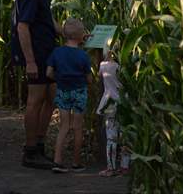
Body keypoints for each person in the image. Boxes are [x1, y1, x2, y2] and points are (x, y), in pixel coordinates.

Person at [11, 0, 69, 169]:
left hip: (46, 51)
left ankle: (39, 144)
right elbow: (22, 26)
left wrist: (65, 33)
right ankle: (30, 151)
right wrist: (31, 61)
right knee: (35, 100)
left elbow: (45, 18)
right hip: (36, 53)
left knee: (50, 97)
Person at [46, 18, 92, 173]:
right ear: (81, 37)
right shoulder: (83, 56)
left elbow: (49, 73)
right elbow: (89, 78)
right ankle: (76, 163)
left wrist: (58, 79)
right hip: (79, 92)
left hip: (63, 90)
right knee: (78, 127)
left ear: (64, 35)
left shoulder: (57, 52)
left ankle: (57, 161)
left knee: (64, 126)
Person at [96, 38, 130, 177]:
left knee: (111, 136)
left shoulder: (103, 65)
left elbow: (99, 77)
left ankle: (111, 168)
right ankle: (125, 166)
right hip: (123, 103)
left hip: (108, 103)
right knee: (125, 135)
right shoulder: (121, 67)